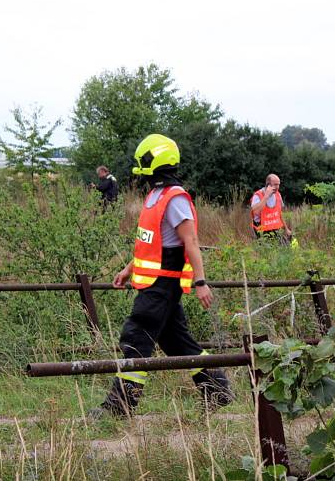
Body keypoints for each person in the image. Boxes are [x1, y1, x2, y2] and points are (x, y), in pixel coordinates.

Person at [91, 134, 233, 419]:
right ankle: (218, 391)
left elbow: (190, 242)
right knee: (177, 343)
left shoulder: (175, 198)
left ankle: (119, 407)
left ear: (156, 161)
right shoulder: (155, 196)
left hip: (164, 284)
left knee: (136, 336)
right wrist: (128, 269)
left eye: (143, 161)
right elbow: (151, 243)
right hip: (153, 282)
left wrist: (201, 281)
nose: (139, 166)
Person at [251, 173, 293, 242]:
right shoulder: (258, 195)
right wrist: (266, 196)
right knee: (267, 251)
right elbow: (255, 212)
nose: (278, 187)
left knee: (285, 247)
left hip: (275, 229)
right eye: (275, 184)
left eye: (278, 184)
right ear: (268, 185)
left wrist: (286, 229)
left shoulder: (278, 195)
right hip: (262, 232)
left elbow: (279, 214)